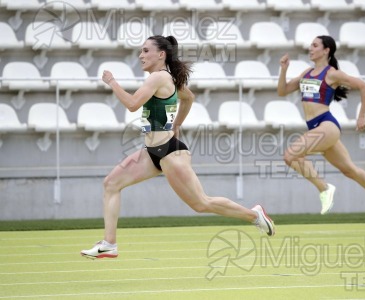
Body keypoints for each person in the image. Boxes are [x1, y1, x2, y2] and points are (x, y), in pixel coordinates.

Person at [81, 35, 275, 259]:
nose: (141, 55)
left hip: (171, 152)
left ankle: (254, 215)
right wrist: (177, 124)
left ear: (161, 55)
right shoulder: (167, 79)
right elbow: (188, 98)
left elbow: (133, 104)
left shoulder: (158, 77)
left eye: (145, 51)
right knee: (111, 184)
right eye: (141, 51)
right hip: (151, 152)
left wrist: (112, 82)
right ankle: (109, 244)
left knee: (202, 203)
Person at [277, 35, 365, 227]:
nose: (311, 48)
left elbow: (364, 86)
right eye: (311, 45)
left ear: (326, 51)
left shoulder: (331, 73)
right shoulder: (307, 72)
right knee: (350, 171)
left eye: (315, 45)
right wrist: (283, 70)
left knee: (290, 155)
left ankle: (324, 189)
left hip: (327, 125)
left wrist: (362, 116)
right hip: (316, 127)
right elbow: (282, 91)